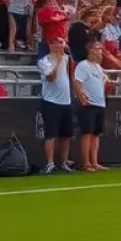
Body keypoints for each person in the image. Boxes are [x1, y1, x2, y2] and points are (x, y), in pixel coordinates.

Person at [37, 34, 74, 174]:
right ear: (50, 46)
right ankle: (50, 163)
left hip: (66, 101)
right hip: (51, 102)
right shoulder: (44, 61)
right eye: (55, 44)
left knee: (66, 135)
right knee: (51, 134)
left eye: (60, 43)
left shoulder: (67, 58)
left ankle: (63, 162)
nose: (58, 46)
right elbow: (51, 77)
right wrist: (58, 61)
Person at [74, 38, 111, 173]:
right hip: (89, 104)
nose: (99, 51)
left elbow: (103, 82)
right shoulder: (83, 65)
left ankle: (95, 162)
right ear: (89, 50)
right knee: (87, 133)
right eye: (96, 48)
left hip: (99, 104)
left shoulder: (98, 67)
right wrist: (82, 97)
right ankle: (86, 163)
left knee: (96, 133)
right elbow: (77, 82)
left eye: (100, 49)